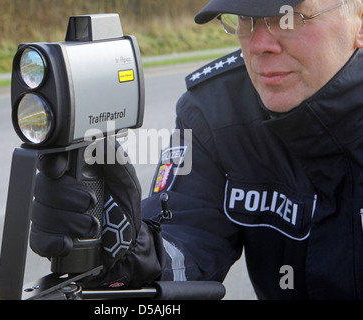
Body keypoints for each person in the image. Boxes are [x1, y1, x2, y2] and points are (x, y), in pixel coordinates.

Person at [29, 0, 363, 299]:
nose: (258, 44)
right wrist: (125, 248)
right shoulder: (216, 109)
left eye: (288, 19)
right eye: (245, 19)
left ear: (359, 22)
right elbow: (186, 241)